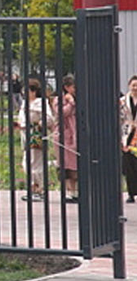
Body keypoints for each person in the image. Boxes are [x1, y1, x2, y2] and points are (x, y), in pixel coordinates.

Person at [15, 78, 56, 203]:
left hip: (36, 135)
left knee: (35, 163)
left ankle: (39, 189)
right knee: (26, 162)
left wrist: (38, 124)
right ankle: (33, 187)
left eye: (27, 91)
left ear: (33, 91)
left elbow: (49, 119)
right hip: (25, 135)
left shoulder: (40, 103)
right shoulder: (25, 103)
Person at [56, 74, 78, 202]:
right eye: (73, 87)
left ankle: (76, 191)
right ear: (66, 87)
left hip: (76, 134)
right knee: (67, 165)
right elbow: (62, 113)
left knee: (76, 164)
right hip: (65, 135)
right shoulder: (60, 99)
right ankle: (69, 191)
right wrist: (71, 102)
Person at [120, 75, 137, 203]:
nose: (135, 88)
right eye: (133, 85)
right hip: (128, 134)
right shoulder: (122, 101)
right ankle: (131, 193)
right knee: (128, 164)